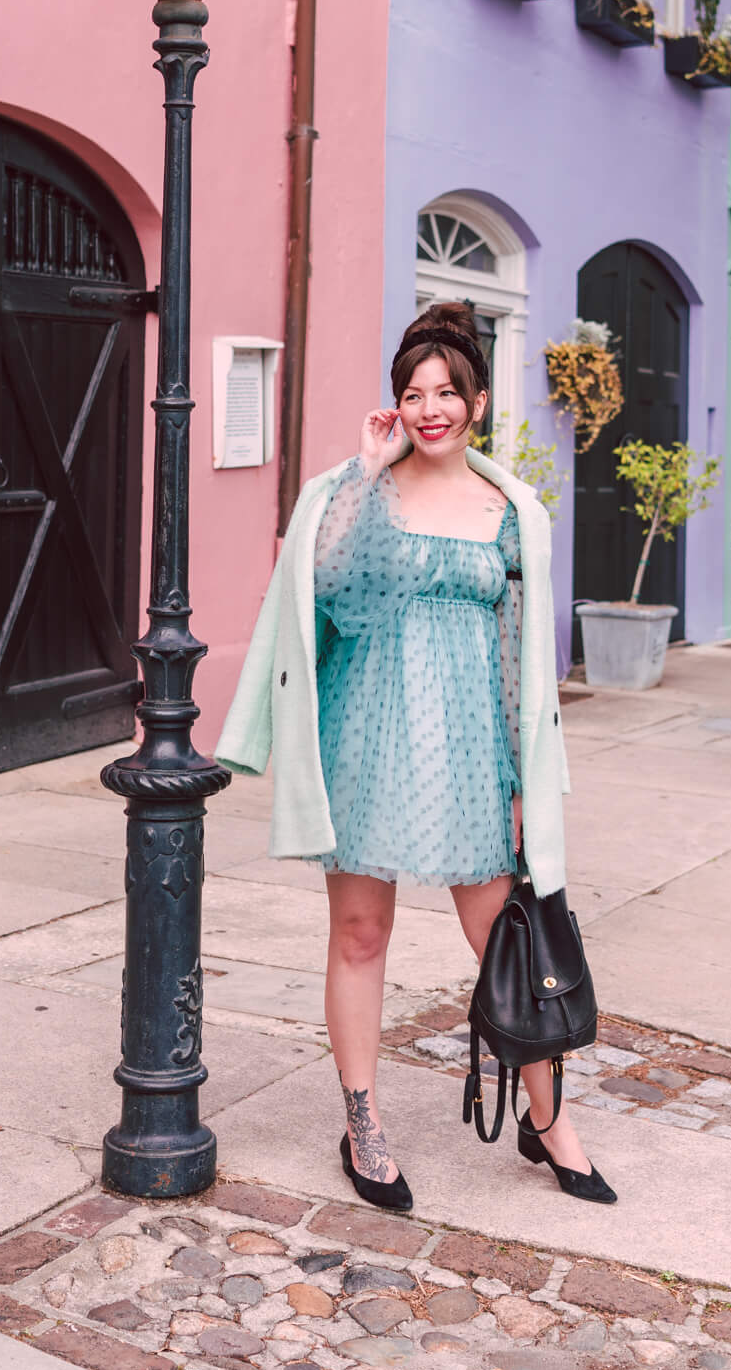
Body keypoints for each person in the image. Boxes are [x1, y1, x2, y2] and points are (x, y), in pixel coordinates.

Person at [216, 301, 616, 1211]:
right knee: (361, 937)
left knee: (508, 940)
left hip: (474, 757)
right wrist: (361, 474)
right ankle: (362, 1122)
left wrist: (524, 783)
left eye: (446, 392)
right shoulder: (359, 495)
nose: (429, 407)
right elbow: (331, 600)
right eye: (412, 393)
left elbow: (523, 661)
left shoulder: (513, 511)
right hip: (370, 742)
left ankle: (548, 1120)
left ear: (476, 402)